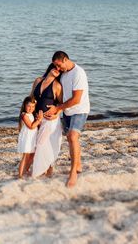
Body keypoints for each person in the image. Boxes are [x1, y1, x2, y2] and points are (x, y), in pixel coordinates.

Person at [45, 51, 90, 188]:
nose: (58, 68)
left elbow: (76, 99)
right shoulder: (63, 74)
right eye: (55, 66)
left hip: (79, 110)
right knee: (71, 139)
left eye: (59, 65)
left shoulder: (78, 73)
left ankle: (73, 174)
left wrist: (58, 108)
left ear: (65, 59)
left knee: (72, 136)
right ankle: (78, 165)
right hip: (67, 111)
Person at [31, 63, 63, 178]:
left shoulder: (57, 86)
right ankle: (45, 167)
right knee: (38, 143)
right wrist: (29, 114)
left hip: (49, 119)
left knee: (41, 143)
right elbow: (31, 98)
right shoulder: (38, 80)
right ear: (50, 67)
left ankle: (44, 169)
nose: (57, 70)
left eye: (60, 70)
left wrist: (56, 114)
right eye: (56, 67)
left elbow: (61, 104)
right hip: (36, 118)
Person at [17, 96, 43, 178]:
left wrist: (38, 120)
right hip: (27, 138)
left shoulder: (31, 114)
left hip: (32, 137)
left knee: (32, 154)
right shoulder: (24, 115)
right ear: (24, 105)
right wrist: (38, 120)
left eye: (33, 106)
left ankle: (26, 169)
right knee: (25, 156)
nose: (31, 108)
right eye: (29, 106)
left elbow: (36, 125)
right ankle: (20, 175)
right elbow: (31, 126)